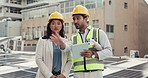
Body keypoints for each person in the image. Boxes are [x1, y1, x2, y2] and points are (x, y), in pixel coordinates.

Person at [71, 5, 113, 78]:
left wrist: (94, 54)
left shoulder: (98, 32)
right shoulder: (73, 38)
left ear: (86, 18)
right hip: (78, 75)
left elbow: (109, 52)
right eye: (74, 19)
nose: (75, 21)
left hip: (94, 74)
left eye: (78, 18)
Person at [36, 11, 72, 78]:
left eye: (58, 23)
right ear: (49, 25)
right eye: (53, 23)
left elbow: (70, 60)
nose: (56, 26)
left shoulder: (66, 41)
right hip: (45, 76)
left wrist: (64, 75)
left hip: (60, 76)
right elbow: (38, 59)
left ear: (62, 25)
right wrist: (50, 76)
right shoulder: (42, 40)